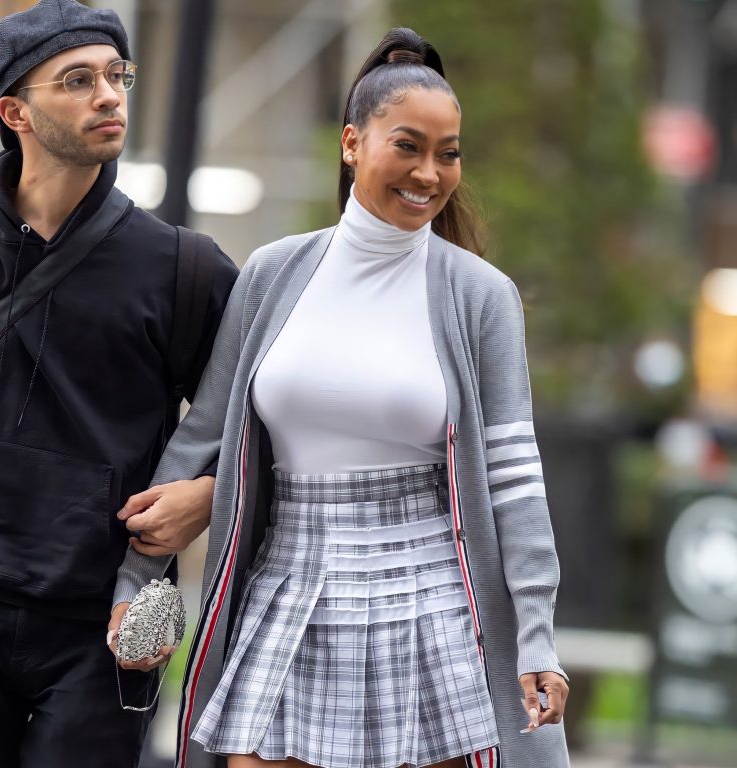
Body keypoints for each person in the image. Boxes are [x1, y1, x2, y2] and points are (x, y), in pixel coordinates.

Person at [112, 26, 569, 768]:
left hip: (433, 603)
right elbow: (203, 437)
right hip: (288, 586)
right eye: (408, 146)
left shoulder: (481, 295)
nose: (430, 172)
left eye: (448, 152)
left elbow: (516, 479)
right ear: (353, 143)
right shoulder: (272, 274)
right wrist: (135, 581)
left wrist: (539, 634)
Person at [0, 2, 238, 767]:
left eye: (118, 75)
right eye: (78, 80)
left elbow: (268, 422)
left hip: (108, 626)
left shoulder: (186, 269)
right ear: (14, 111)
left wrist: (210, 495)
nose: (110, 95)